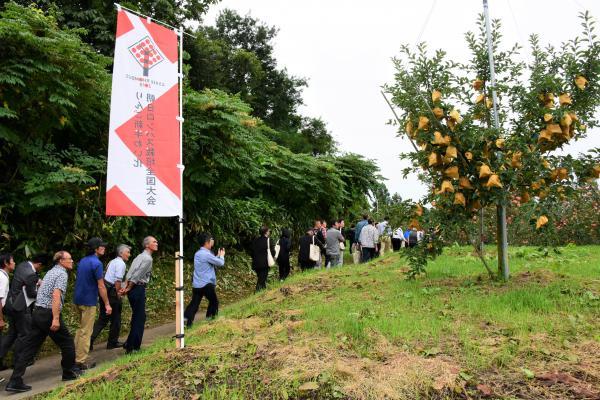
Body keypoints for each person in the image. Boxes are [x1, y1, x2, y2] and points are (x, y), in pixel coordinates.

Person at [6, 251, 79, 393]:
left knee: (29, 348)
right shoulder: (61, 274)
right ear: (60, 261)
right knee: (67, 342)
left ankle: (15, 380)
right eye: (69, 259)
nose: (72, 261)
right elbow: (56, 295)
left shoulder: (51, 272)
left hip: (38, 312)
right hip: (48, 313)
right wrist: (56, 318)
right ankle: (69, 373)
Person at [1, 254, 47, 370]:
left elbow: (29, 280)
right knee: (24, 334)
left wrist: (37, 280)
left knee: (12, 334)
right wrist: (44, 293)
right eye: (12, 261)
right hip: (21, 307)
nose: (14, 263)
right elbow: (31, 293)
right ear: (39, 265)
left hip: (12, 305)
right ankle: (18, 362)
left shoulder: (23, 265)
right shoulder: (29, 273)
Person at [73, 238, 112, 370]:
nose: (104, 248)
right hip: (88, 301)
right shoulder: (97, 263)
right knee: (86, 331)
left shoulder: (83, 261)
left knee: (80, 329)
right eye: (102, 246)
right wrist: (107, 304)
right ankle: (81, 361)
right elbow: (101, 286)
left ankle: (76, 355)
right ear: (96, 249)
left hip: (77, 299)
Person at [120, 236, 157, 354]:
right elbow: (136, 275)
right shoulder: (148, 259)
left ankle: (129, 343)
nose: (157, 243)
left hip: (133, 288)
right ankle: (133, 347)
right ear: (147, 245)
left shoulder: (139, 256)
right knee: (139, 318)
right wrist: (129, 287)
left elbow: (131, 272)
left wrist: (125, 286)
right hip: (137, 288)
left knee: (137, 316)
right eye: (154, 242)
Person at [90, 244, 131, 351]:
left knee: (103, 318)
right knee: (116, 318)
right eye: (127, 252)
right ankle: (112, 342)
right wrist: (118, 294)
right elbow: (117, 281)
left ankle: (89, 341)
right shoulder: (121, 264)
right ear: (121, 253)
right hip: (112, 292)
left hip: (105, 290)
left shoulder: (112, 261)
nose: (129, 255)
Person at [184, 233, 225, 327]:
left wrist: (217, 256)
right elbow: (220, 263)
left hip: (197, 284)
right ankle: (211, 320)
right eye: (211, 240)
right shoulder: (206, 254)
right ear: (207, 242)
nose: (212, 242)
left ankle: (186, 321)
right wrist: (222, 256)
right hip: (206, 284)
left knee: (194, 304)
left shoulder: (198, 253)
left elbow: (210, 262)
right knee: (214, 302)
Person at [0, 254, 15, 383]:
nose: (14, 263)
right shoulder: (2, 278)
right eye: (12, 261)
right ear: (6, 263)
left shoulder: (3, 276)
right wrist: (0, 319)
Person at [251, 226, 275, 292]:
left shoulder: (255, 240)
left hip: (256, 263)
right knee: (262, 279)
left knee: (261, 277)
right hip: (264, 263)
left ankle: (263, 291)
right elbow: (273, 252)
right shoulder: (268, 240)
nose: (269, 232)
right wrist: (272, 257)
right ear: (266, 232)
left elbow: (252, 251)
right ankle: (257, 292)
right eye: (269, 231)